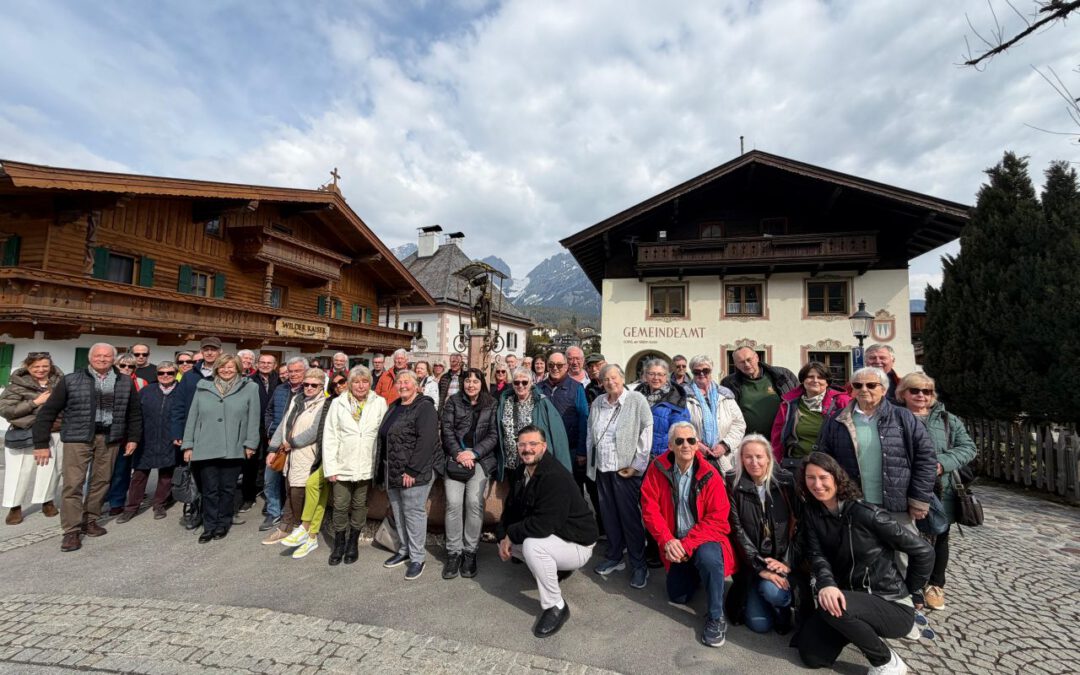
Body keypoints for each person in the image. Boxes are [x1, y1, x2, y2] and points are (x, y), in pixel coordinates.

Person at [796, 452, 933, 673]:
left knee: (833, 607)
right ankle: (860, 631)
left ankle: (887, 661)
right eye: (810, 478)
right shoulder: (813, 513)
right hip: (848, 597)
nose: (817, 484)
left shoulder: (867, 514)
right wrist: (828, 584)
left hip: (889, 601)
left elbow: (924, 551)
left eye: (823, 477)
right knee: (812, 655)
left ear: (836, 478)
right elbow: (816, 554)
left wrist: (912, 590)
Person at [818, 366, 937, 561]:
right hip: (854, 502)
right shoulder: (837, 419)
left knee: (902, 557)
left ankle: (908, 592)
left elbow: (925, 459)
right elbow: (824, 459)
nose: (864, 389)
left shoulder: (903, 417)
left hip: (896, 503)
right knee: (858, 554)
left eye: (871, 385)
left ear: (883, 389)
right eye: (858, 385)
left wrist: (919, 500)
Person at [33, 343, 142, 553]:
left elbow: (134, 413)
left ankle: (90, 520)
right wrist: (40, 443)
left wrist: (133, 438)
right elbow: (48, 412)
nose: (102, 359)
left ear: (114, 360)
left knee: (101, 481)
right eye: (98, 356)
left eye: (107, 356)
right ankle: (71, 530)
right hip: (78, 438)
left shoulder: (125, 381)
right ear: (90, 358)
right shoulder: (71, 380)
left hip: (110, 438)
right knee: (73, 484)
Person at [497, 426, 598, 638]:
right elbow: (511, 508)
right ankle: (556, 570)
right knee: (511, 542)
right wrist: (502, 535)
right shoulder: (521, 471)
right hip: (556, 536)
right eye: (523, 444)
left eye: (533, 444)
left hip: (577, 543)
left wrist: (511, 535)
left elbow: (543, 525)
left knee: (532, 546)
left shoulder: (554, 476)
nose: (527, 449)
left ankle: (556, 606)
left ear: (544, 447)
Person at [641, 422, 736, 648]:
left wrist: (687, 545)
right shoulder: (657, 467)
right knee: (678, 596)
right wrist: (667, 540)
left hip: (703, 538)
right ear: (670, 445)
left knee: (710, 559)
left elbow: (718, 518)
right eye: (679, 441)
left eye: (691, 440)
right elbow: (649, 507)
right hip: (674, 540)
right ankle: (696, 572)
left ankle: (715, 616)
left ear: (697, 445)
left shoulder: (710, 474)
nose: (686, 445)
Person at [897, 372, 976, 611]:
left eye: (927, 391)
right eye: (915, 391)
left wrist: (942, 463)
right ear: (903, 394)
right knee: (906, 536)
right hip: (903, 485)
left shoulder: (947, 419)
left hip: (942, 487)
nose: (921, 395)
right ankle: (908, 584)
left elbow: (968, 448)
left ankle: (935, 585)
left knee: (940, 536)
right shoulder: (893, 416)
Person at [586, 364, 653, 588]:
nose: (610, 382)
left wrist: (637, 466)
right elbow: (591, 433)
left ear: (622, 378)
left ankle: (639, 564)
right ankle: (615, 557)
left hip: (625, 470)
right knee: (609, 516)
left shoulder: (636, 400)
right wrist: (591, 464)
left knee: (630, 518)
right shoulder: (598, 402)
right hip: (603, 469)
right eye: (605, 379)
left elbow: (646, 431)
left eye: (613, 377)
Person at [181, 354, 259, 543]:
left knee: (227, 488)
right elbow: (193, 417)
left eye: (231, 367)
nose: (226, 370)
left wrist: (250, 443)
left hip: (234, 446)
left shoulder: (249, 388)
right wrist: (188, 445)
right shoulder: (203, 387)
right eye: (223, 367)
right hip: (205, 446)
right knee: (209, 489)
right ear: (216, 368)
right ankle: (209, 525)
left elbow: (253, 418)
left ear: (238, 369)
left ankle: (223, 523)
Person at [724, 434, 797, 634]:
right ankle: (755, 590)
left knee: (773, 592)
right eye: (748, 457)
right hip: (752, 563)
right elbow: (737, 530)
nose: (754, 462)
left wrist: (786, 563)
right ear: (741, 459)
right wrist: (759, 567)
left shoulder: (785, 482)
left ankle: (782, 608)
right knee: (759, 625)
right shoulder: (733, 483)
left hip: (781, 559)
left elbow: (797, 526)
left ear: (768, 458)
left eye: (759, 456)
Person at [323, 365, 388, 566]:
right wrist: (330, 467)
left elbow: (383, 435)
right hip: (343, 462)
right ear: (350, 384)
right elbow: (330, 435)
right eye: (356, 382)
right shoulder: (339, 403)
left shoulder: (379, 402)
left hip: (366, 463)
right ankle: (339, 543)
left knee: (360, 505)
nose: (361, 386)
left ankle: (353, 542)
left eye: (365, 381)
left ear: (370, 383)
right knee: (341, 505)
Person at [377, 370, 439, 580]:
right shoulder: (394, 406)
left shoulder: (425, 407)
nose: (403, 385)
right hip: (392, 468)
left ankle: (417, 557)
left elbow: (427, 440)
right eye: (400, 382)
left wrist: (412, 469)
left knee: (413, 513)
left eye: (407, 382)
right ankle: (404, 550)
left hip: (414, 471)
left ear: (417, 385)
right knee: (399, 511)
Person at [440, 368, 499, 579]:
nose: (471, 385)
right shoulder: (453, 402)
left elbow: (493, 434)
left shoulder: (491, 403)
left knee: (474, 503)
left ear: (481, 383)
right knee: (453, 503)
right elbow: (446, 430)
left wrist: (474, 453)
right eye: (467, 381)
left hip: (480, 459)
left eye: (475, 381)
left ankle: (470, 551)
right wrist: (458, 453)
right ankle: (453, 552)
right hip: (455, 459)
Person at [263, 368, 328, 553]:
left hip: (307, 454)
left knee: (299, 492)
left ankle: (298, 528)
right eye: (306, 384)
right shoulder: (297, 401)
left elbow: (315, 431)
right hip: (290, 455)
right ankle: (289, 528)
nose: (308, 387)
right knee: (290, 489)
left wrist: (293, 442)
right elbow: (284, 424)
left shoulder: (324, 404)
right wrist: (273, 448)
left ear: (321, 386)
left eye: (313, 385)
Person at [538, 352, 598, 535]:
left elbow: (583, 419)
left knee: (574, 491)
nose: (555, 368)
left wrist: (582, 451)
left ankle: (579, 529)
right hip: (545, 451)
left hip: (571, 450)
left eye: (559, 365)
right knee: (548, 491)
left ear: (566, 366)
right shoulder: (538, 388)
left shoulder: (576, 387)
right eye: (551, 365)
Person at [0, 352, 63, 525]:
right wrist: (35, 402)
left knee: (50, 469)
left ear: (50, 366)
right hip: (24, 431)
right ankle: (15, 506)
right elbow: (6, 410)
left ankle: (47, 500)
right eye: (36, 366)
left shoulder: (60, 382)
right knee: (19, 470)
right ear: (28, 367)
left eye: (45, 366)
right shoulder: (16, 386)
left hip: (53, 431)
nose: (41, 370)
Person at [116, 361, 179, 523]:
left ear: (175, 374)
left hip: (169, 439)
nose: (165, 376)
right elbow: (135, 415)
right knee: (139, 475)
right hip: (146, 439)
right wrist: (133, 437)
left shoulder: (181, 392)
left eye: (170, 373)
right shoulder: (146, 391)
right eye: (161, 373)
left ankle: (159, 504)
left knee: (166, 475)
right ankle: (131, 507)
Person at [770, 361, 851, 470]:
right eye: (810, 377)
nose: (815, 380)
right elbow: (777, 438)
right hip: (797, 465)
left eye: (820, 377)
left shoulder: (842, 401)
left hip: (831, 466)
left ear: (827, 382)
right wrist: (776, 465)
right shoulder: (789, 404)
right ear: (803, 380)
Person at [261, 356, 307, 532]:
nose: (293, 374)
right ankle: (273, 512)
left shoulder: (310, 390)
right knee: (270, 479)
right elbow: (270, 411)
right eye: (291, 371)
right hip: (277, 443)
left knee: (292, 483)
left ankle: (290, 514)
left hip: (297, 444)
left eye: (298, 371)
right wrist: (270, 431)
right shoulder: (280, 389)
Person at [496, 368, 571, 476]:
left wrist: (564, 470)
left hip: (534, 463)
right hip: (511, 464)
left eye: (524, 382)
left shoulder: (541, 403)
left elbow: (558, 434)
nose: (520, 385)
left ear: (531, 383)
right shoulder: (505, 402)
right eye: (516, 382)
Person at [106, 352, 151, 515]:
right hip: (107, 430)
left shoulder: (141, 382)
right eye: (122, 365)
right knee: (101, 469)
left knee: (121, 468)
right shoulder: (107, 382)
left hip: (128, 431)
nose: (126, 368)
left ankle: (116, 501)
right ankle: (99, 498)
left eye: (131, 366)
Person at [685, 355, 745, 474]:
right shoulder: (683, 396)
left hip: (725, 457)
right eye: (697, 372)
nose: (702, 374)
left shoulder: (725, 394)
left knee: (725, 490)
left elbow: (739, 424)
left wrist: (724, 445)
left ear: (711, 371)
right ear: (692, 373)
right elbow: (680, 425)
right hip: (694, 455)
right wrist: (696, 445)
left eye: (705, 370)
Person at [720, 347, 798, 437]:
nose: (747, 364)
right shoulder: (728, 383)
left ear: (757, 357)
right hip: (747, 440)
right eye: (741, 362)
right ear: (736, 365)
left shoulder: (783, 375)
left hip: (782, 438)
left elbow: (801, 398)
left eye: (749, 359)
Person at [243, 353, 280, 513]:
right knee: (250, 463)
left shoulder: (279, 381)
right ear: (257, 364)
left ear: (274, 365)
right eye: (262, 362)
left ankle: (269, 497)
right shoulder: (249, 380)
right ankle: (248, 497)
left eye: (269, 363)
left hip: (272, 428)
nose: (265, 365)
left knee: (271, 464)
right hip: (253, 426)